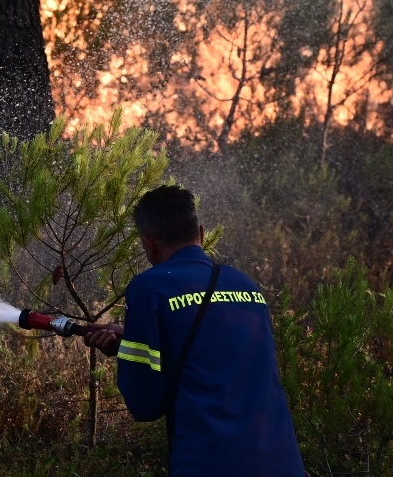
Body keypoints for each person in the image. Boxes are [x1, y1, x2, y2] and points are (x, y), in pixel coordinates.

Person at [85, 185, 305, 476]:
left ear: (149, 244)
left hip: (210, 463)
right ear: (201, 233)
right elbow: (220, 352)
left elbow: (145, 405)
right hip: (282, 462)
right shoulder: (245, 285)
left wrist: (128, 351)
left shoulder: (150, 288)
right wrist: (140, 337)